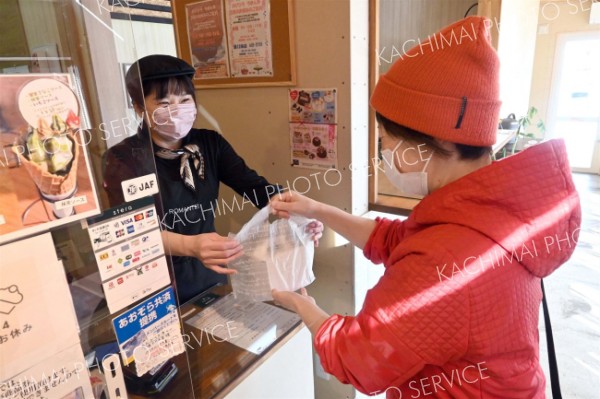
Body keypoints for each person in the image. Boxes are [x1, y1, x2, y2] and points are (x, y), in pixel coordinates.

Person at [270, 16, 581, 398]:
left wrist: (300, 302)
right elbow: (397, 240)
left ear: (429, 141)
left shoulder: (444, 258)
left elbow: (359, 357)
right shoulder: (495, 210)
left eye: (384, 139)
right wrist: (317, 209)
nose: (383, 153)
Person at [102, 54, 322, 304]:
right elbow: (127, 233)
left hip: (208, 273)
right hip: (151, 282)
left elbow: (256, 188)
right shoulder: (122, 159)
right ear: (139, 107)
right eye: (164, 103)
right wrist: (189, 246)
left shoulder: (210, 144)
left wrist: (302, 214)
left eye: (185, 100)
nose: (176, 109)